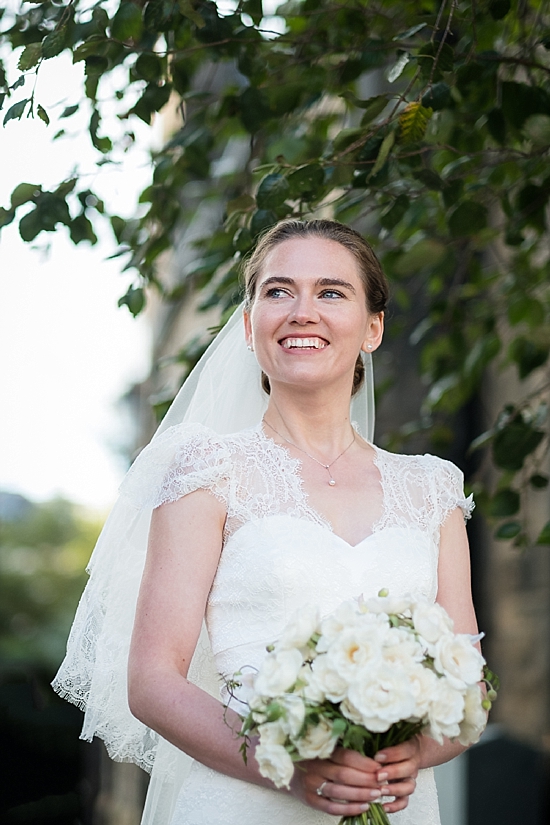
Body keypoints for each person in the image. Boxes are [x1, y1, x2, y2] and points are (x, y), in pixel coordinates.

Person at [53, 219, 478, 825]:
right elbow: (152, 680)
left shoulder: (433, 488)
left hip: (392, 806)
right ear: (250, 327)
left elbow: (466, 686)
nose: (302, 311)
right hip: (242, 801)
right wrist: (294, 765)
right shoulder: (206, 470)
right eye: (279, 292)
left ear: (373, 328)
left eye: (331, 293)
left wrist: (408, 754)